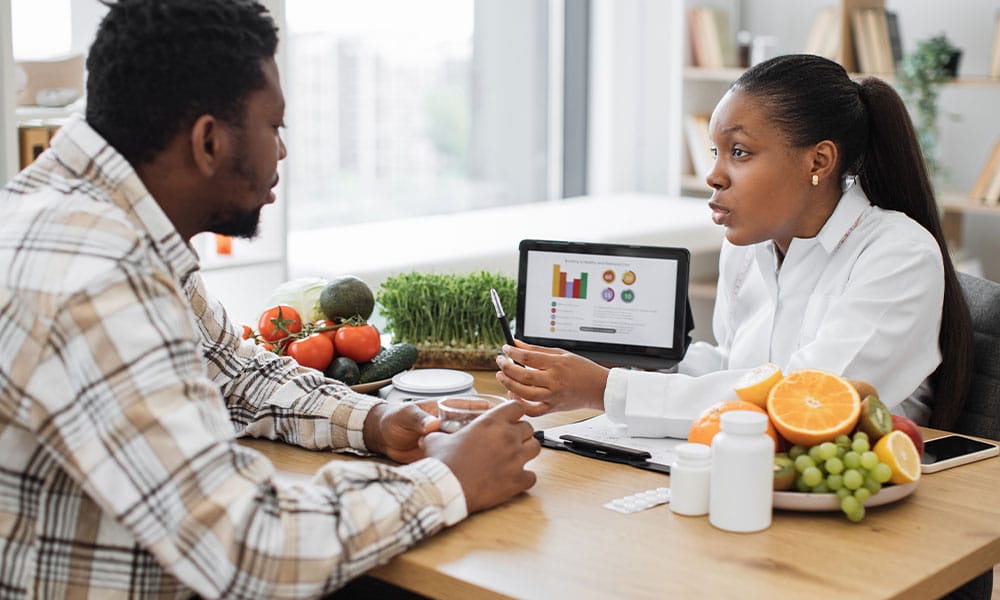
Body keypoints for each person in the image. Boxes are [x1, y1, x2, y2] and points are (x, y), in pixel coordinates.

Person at [0, 1, 539, 597]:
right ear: (208, 141)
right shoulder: (96, 273)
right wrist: (453, 477)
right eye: (274, 126)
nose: (280, 152)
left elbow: (232, 376)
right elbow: (248, 545)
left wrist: (377, 420)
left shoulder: (100, 223)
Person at [497, 53, 973, 437]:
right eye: (715, 152)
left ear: (819, 161)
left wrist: (606, 389)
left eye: (739, 152)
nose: (713, 175)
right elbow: (737, 367)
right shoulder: (749, 247)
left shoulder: (899, 254)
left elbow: (803, 403)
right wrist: (628, 362)